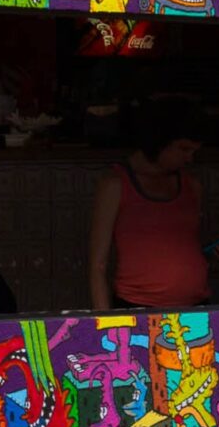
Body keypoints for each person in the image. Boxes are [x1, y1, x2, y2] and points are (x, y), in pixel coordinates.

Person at [88, 100, 210, 313]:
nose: (189, 158)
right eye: (183, 149)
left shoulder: (191, 185)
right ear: (159, 142)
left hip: (196, 307)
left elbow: (187, 247)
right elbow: (98, 266)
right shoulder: (115, 185)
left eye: (193, 151)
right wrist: (106, 322)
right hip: (136, 307)